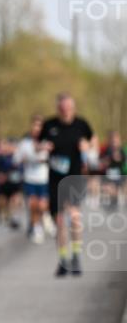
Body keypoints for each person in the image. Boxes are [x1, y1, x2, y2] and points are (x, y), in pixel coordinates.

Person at [42, 93, 96, 276]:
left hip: (74, 178)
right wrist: (42, 147)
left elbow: (93, 140)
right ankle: (63, 259)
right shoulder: (49, 125)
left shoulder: (81, 124)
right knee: (59, 222)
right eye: (62, 108)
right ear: (58, 108)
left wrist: (87, 146)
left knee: (74, 218)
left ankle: (76, 256)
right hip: (55, 179)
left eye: (68, 108)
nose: (65, 111)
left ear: (73, 108)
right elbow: (36, 144)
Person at [14, 115, 51, 244]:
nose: (37, 129)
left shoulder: (49, 142)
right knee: (33, 205)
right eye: (35, 126)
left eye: (39, 126)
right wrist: (22, 159)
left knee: (42, 205)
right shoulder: (25, 143)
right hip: (30, 179)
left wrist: (47, 159)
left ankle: (45, 217)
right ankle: (37, 228)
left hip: (45, 178)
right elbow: (16, 159)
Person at [100, 130, 123, 211]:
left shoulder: (121, 150)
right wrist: (107, 160)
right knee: (107, 189)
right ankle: (105, 206)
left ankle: (114, 205)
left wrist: (118, 158)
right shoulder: (106, 150)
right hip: (107, 176)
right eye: (112, 141)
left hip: (118, 176)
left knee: (115, 191)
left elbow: (122, 160)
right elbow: (102, 161)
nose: (114, 143)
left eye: (116, 141)